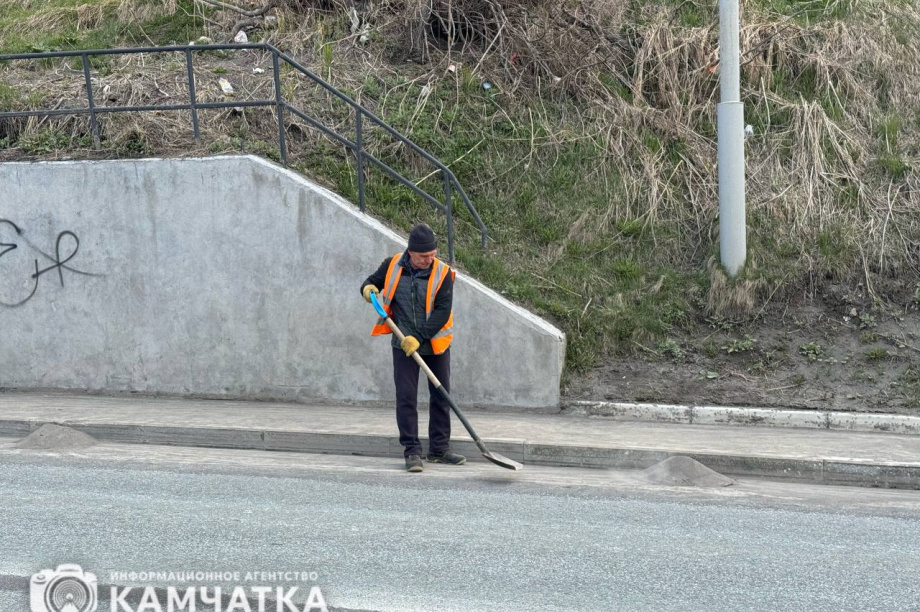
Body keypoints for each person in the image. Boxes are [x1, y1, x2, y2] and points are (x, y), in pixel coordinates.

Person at [360, 223, 466, 473]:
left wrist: (419, 336)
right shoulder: (392, 265)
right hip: (402, 345)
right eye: (422, 257)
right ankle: (412, 451)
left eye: (432, 255)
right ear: (410, 252)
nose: (428, 260)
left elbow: (442, 311)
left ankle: (439, 450)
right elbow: (371, 282)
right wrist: (368, 289)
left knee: (441, 396)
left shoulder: (443, 273)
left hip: (435, 343)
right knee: (406, 397)